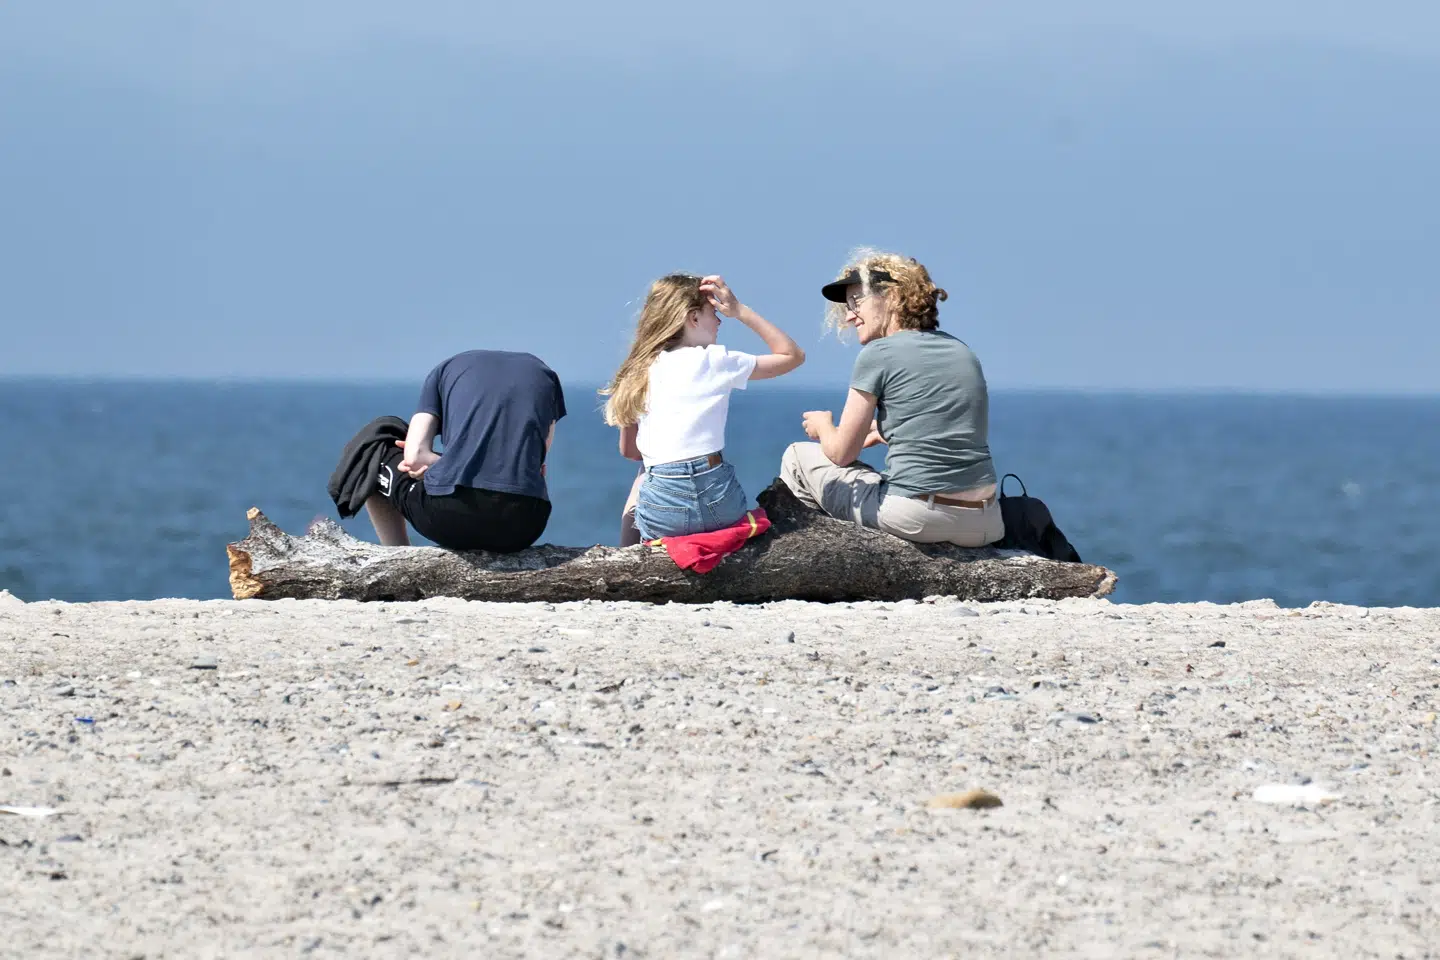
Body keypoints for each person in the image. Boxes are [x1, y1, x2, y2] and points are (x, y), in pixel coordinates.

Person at [779, 250, 1004, 547]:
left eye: (857, 300)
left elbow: (841, 454)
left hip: (919, 517)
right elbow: (949, 433)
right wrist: (884, 431)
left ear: (892, 297)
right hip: (985, 523)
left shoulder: (877, 354)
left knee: (797, 455)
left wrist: (823, 426)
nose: (849, 314)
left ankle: (814, 554)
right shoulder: (961, 350)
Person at [602, 274, 804, 545]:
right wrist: (740, 311)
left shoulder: (636, 371)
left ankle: (625, 554)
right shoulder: (716, 360)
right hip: (719, 505)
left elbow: (630, 452)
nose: (720, 320)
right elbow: (792, 356)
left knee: (643, 474)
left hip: (665, 514)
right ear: (693, 318)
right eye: (714, 312)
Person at [329, 350, 565, 552]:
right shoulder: (545, 376)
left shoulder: (443, 372)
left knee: (376, 446)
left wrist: (445, 466)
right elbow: (539, 463)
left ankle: (396, 555)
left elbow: (413, 457)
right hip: (526, 523)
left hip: (451, 518)